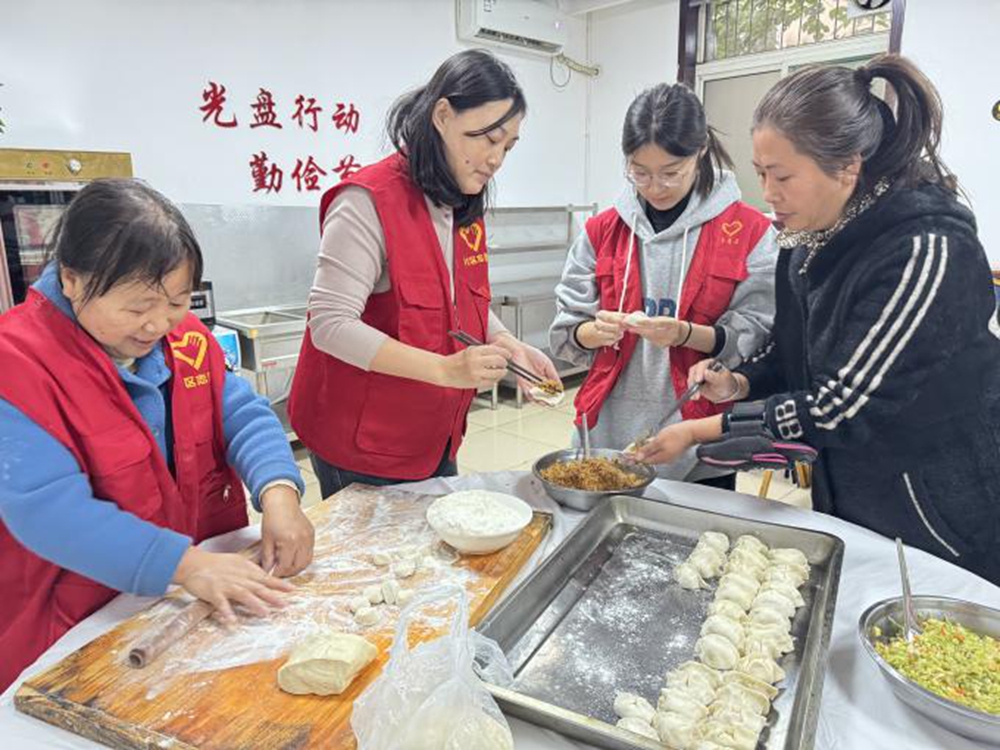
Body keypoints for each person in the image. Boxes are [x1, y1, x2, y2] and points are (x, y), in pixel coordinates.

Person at [637, 55, 1000, 585]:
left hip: (938, 509)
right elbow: (789, 351)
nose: (768, 193)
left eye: (783, 175)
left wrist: (699, 430)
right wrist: (737, 382)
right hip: (851, 487)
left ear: (848, 166)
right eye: (761, 173)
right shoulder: (806, 238)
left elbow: (841, 407)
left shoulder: (923, 250)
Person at [0, 179, 315, 691]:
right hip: (76, 614)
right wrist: (184, 565)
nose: (158, 324)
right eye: (137, 306)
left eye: (177, 300)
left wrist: (279, 493)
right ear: (72, 280)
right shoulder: (16, 363)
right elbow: (48, 512)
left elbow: (241, 414)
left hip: (178, 590)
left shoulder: (184, 338)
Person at [289, 50, 560, 499]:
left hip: (433, 435)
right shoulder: (367, 201)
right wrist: (445, 369)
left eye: (508, 147)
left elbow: (461, 303)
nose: (496, 159)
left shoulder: (462, 203)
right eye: (488, 139)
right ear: (442, 115)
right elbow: (330, 325)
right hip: (362, 442)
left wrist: (507, 344)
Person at [549, 83, 778, 488]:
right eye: (640, 173)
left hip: (703, 445)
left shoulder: (749, 232)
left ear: (700, 151)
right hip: (606, 437)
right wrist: (593, 331)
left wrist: (685, 334)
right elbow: (567, 332)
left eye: (671, 173)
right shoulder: (602, 231)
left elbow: (759, 336)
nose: (655, 187)